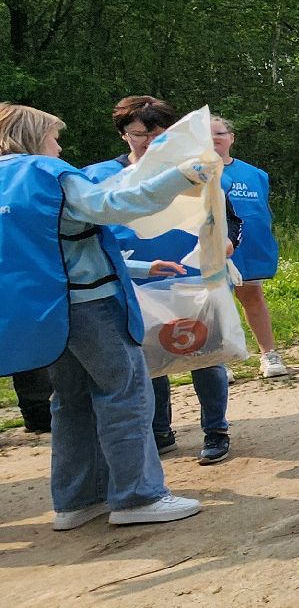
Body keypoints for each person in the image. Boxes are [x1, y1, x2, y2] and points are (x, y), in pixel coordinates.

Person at [0, 102, 208, 527]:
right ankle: (137, 498)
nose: (58, 147)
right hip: (92, 306)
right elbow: (116, 205)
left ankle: (76, 501)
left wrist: (140, 267)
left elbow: (47, 248)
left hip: (45, 312)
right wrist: (183, 175)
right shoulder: (48, 173)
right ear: (34, 137)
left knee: (70, 403)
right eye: (54, 138)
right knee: (126, 395)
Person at [83, 97, 239, 466]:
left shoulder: (196, 170)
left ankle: (216, 430)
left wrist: (227, 240)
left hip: (194, 279)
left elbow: (229, 218)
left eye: (157, 133)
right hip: (135, 280)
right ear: (124, 135)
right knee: (149, 357)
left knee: (206, 354)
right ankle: (160, 430)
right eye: (139, 134)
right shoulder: (98, 175)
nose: (149, 142)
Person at [213, 115, 287, 378]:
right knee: (217, 304)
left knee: (253, 297)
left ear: (231, 138)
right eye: (207, 135)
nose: (214, 140)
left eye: (219, 134)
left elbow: (261, 211)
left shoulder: (255, 174)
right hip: (212, 250)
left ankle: (268, 354)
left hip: (250, 248)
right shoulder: (194, 173)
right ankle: (219, 361)